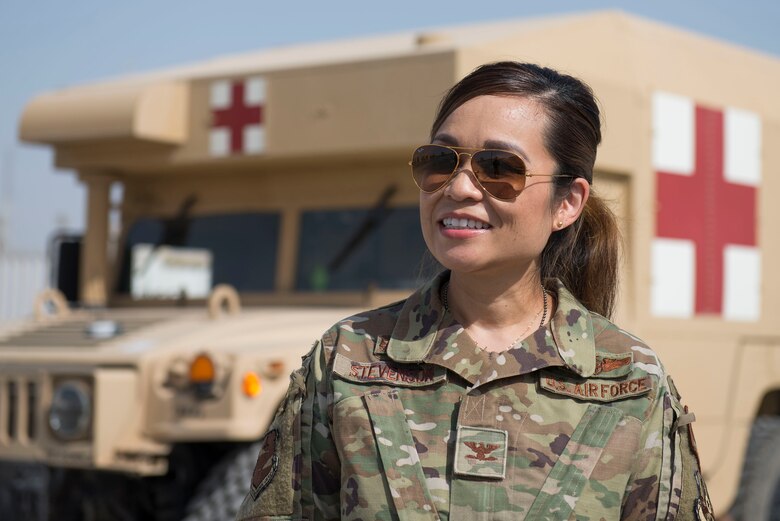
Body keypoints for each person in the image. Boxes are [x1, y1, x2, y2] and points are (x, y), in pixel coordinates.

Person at [235, 62, 714, 521]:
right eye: (440, 161)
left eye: (499, 167)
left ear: (566, 203)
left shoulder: (629, 378)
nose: (459, 187)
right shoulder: (346, 358)